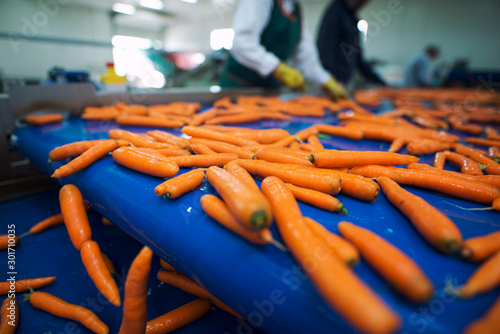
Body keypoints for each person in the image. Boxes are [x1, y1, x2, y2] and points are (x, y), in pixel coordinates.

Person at [219, 0, 347, 100]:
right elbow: (242, 43)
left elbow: (306, 57)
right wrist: (277, 68)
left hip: (270, 92)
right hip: (239, 88)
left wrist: (325, 80)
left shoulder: (296, 9)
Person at [316, 0, 386, 88]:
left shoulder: (353, 19)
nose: (363, 3)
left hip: (344, 83)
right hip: (333, 82)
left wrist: (380, 81)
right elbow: (325, 48)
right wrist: (331, 79)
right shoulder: (334, 12)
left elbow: (358, 57)